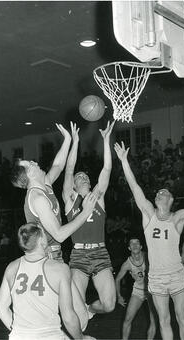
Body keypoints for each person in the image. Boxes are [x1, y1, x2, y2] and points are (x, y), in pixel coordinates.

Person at [114, 141, 184, 340]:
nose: (159, 193)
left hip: (176, 273)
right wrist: (124, 161)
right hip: (156, 277)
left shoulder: (177, 217)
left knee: (182, 317)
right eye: (157, 192)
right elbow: (134, 187)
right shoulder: (149, 213)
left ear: (171, 200)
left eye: (163, 193)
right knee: (164, 320)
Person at [10, 122, 98, 330]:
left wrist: (68, 139)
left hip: (54, 257)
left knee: (78, 316)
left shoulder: (45, 184)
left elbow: (58, 166)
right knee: (75, 317)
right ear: (29, 174)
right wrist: (85, 212)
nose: (33, 162)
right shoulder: (37, 197)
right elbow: (58, 235)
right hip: (46, 259)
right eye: (29, 163)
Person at [0, 223, 95, 340]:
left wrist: (21, 332)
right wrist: (81, 338)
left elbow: (1, 310)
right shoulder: (60, 269)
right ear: (41, 241)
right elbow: (68, 317)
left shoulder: (11, 268)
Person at [63, 121, 116, 315]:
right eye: (79, 177)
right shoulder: (70, 200)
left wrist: (106, 140)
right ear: (74, 186)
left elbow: (107, 170)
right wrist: (75, 142)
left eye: (85, 176)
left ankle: (91, 311)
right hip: (78, 257)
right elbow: (68, 170)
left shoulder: (97, 198)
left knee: (109, 305)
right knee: (74, 305)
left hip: (101, 254)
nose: (83, 177)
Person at [115, 236, 156, 340]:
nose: (135, 245)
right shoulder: (127, 264)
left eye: (137, 243)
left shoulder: (149, 257)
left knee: (153, 320)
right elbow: (117, 279)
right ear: (129, 248)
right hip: (138, 291)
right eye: (132, 243)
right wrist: (119, 296)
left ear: (141, 246)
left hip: (153, 291)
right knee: (128, 319)